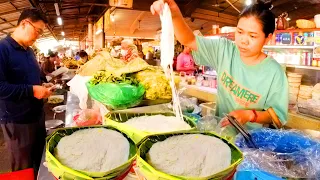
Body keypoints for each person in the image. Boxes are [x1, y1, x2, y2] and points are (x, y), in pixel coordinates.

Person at [151, 0, 288, 129]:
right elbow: (189, 40)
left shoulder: (274, 72)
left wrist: (250, 115)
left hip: (250, 143)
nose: (243, 41)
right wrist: (173, 12)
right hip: (221, 132)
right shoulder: (224, 50)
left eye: (252, 36)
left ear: (268, 38)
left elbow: (277, 118)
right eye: (240, 32)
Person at [0, 8, 53, 174]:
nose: (38, 36)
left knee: (40, 160)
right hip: (17, 121)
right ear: (24, 23)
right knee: (24, 167)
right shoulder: (3, 49)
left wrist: (42, 85)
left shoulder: (29, 51)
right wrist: (31, 91)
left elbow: (32, 79)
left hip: (36, 116)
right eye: (37, 31)